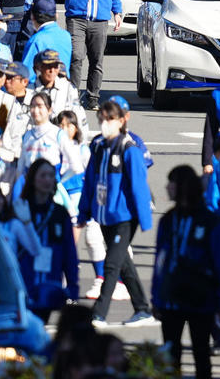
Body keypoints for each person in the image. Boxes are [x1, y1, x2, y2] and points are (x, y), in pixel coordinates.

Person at [77, 99, 156, 328]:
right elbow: (89, 182)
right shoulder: (98, 146)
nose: (105, 123)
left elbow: (139, 186)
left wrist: (144, 219)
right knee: (123, 263)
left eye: (110, 119)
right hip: (104, 215)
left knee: (111, 264)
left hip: (125, 217)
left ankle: (98, 314)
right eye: (102, 118)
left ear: (121, 121)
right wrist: (84, 212)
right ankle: (142, 309)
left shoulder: (129, 149)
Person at [151, 165, 220, 379]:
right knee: (171, 354)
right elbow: (160, 261)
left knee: (201, 352)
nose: (167, 187)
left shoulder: (210, 222)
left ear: (183, 187)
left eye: (172, 183)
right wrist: (156, 297)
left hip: (201, 297)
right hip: (171, 297)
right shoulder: (168, 220)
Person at [15, 158, 79, 322]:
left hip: (49, 285)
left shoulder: (60, 213)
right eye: (43, 175)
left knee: (41, 323)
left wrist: (73, 286)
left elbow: (69, 252)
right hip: (23, 282)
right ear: (32, 179)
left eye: (51, 176)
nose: (47, 180)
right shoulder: (20, 209)